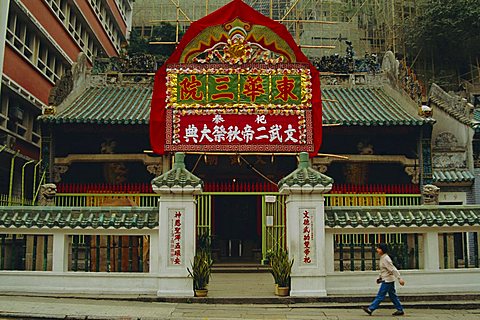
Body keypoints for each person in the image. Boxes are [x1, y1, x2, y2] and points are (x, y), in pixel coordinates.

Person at [362, 243, 405, 316]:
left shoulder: (386, 258)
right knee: (392, 296)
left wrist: (399, 278)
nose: (377, 250)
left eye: (379, 248)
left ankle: (371, 309)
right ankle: (400, 309)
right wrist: (380, 278)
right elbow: (383, 270)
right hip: (387, 279)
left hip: (387, 280)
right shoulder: (383, 257)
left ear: (382, 250)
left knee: (380, 295)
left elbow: (392, 269)